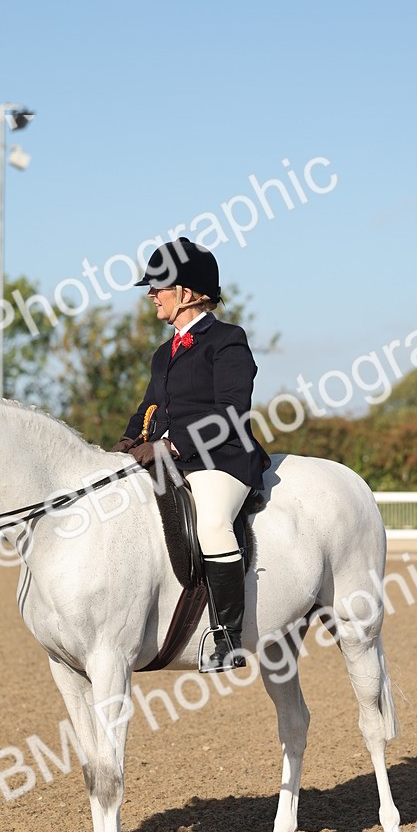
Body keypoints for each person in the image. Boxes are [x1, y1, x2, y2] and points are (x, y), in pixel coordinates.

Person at [112, 238, 270, 671]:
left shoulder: (228, 340)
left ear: (186, 292)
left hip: (221, 458)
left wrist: (172, 443)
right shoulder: (163, 353)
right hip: (171, 459)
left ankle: (227, 637)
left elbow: (232, 412)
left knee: (214, 524)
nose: (151, 294)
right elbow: (150, 408)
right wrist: (127, 441)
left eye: (158, 286)